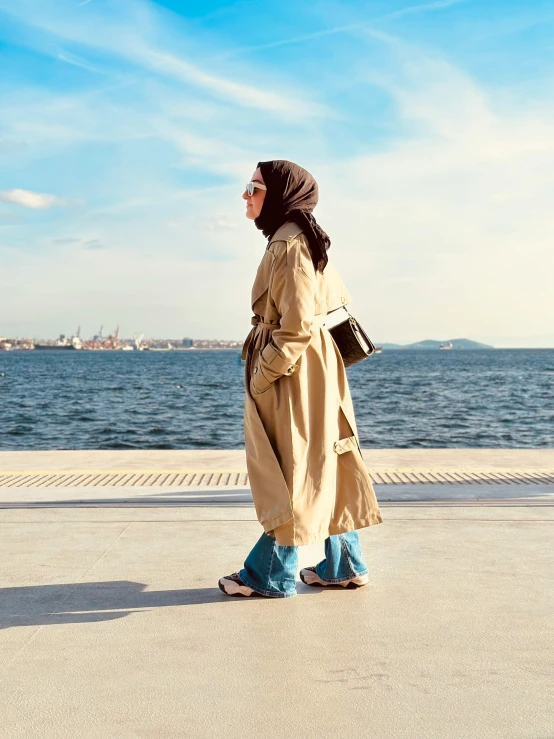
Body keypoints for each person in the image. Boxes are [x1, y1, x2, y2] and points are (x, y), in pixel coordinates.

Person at [218, 160, 383, 598]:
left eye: (254, 187)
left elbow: (295, 327)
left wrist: (262, 375)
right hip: (313, 368)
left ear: (279, 193)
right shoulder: (297, 236)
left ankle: (268, 574)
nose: (245, 195)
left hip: (293, 370)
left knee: (288, 468)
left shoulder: (290, 244)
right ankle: (345, 564)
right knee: (323, 459)